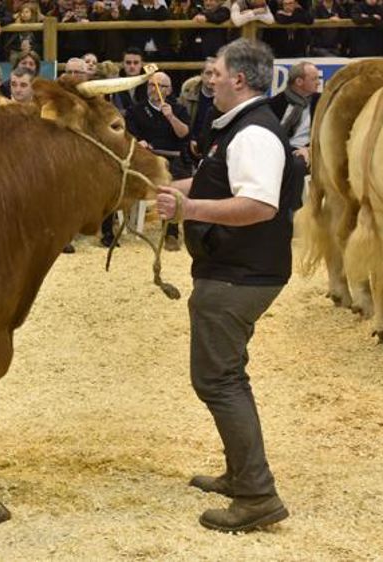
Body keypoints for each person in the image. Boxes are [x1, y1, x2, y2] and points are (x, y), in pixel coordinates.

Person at [155, 38, 299, 533]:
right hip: (237, 270)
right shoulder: (238, 127)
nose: (208, 76)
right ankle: (241, 475)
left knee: (217, 380)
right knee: (227, 375)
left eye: (214, 70)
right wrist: (172, 190)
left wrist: (189, 210)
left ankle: (257, 495)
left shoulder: (253, 134)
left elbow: (259, 205)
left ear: (239, 78)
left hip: (239, 275)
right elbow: (222, 184)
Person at [125, 71, 191, 251]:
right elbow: (129, 135)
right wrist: (139, 142)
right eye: (151, 85)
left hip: (174, 158)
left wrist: (170, 117)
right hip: (147, 158)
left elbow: (184, 133)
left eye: (160, 86)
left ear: (169, 91)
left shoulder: (178, 109)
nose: (155, 89)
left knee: (174, 181)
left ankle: (171, 233)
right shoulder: (135, 110)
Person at [268, 61, 319, 167]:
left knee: (297, 163)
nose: (318, 82)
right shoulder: (275, 104)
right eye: (314, 79)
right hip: (279, 149)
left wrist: (310, 149)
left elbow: (326, 133)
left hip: (307, 151)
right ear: (299, 81)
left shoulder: (321, 102)